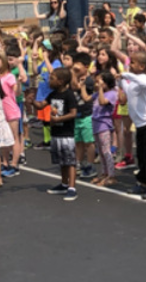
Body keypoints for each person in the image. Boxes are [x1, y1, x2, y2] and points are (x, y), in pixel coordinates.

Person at [117, 51, 146, 199]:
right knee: (141, 156)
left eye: (133, 62)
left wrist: (125, 74)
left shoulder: (142, 78)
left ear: (142, 66)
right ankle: (143, 182)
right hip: (140, 125)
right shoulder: (131, 81)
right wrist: (119, 77)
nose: (131, 64)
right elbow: (123, 85)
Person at [33, 67, 78, 200]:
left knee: (70, 161)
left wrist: (58, 119)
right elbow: (41, 106)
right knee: (62, 160)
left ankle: (72, 187)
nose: (49, 80)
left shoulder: (69, 95)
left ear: (61, 81)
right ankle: (64, 184)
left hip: (66, 133)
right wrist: (32, 101)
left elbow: (73, 113)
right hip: (56, 132)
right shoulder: (53, 94)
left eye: (52, 78)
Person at [71, 52, 97, 180]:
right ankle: (79, 164)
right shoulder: (75, 78)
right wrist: (74, 74)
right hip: (77, 115)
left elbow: (80, 91)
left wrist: (74, 75)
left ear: (86, 67)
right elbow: (72, 86)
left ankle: (90, 165)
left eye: (78, 66)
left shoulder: (89, 80)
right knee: (78, 142)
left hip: (87, 114)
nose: (75, 68)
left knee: (88, 142)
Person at [90, 71, 118, 186]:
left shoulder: (111, 93)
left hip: (104, 124)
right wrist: (82, 87)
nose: (98, 84)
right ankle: (104, 173)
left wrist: (100, 89)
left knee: (106, 150)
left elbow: (102, 103)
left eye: (100, 81)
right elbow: (87, 98)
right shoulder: (98, 93)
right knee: (100, 151)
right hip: (95, 123)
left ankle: (111, 175)